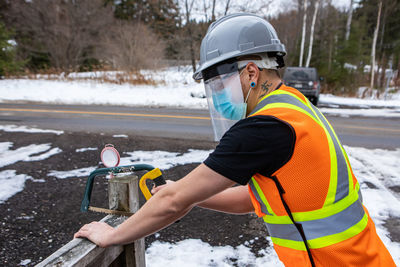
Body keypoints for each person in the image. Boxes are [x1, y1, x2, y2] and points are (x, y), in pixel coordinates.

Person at [75, 13, 395, 266]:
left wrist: (112, 234)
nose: (216, 94)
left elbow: (172, 204)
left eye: (218, 83)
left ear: (251, 73)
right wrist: (194, 193)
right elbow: (253, 198)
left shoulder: (263, 128)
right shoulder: (293, 105)